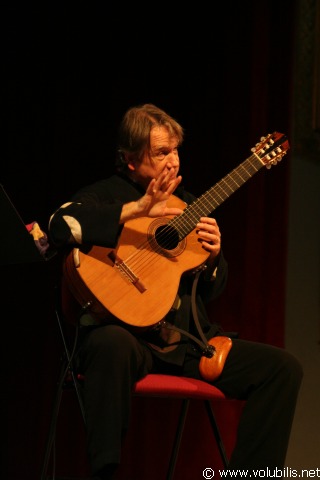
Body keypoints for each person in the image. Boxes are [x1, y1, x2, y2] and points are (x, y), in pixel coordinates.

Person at [48, 103, 303, 480]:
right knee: (109, 345)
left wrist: (214, 258)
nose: (172, 160)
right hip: (129, 337)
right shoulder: (106, 194)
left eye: (175, 150)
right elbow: (59, 225)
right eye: (161, 152)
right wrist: (138, 208)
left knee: (282, 369)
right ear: (131, 160)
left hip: (185, 342)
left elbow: (213, 290)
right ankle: (105, 472)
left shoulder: (188, 205)